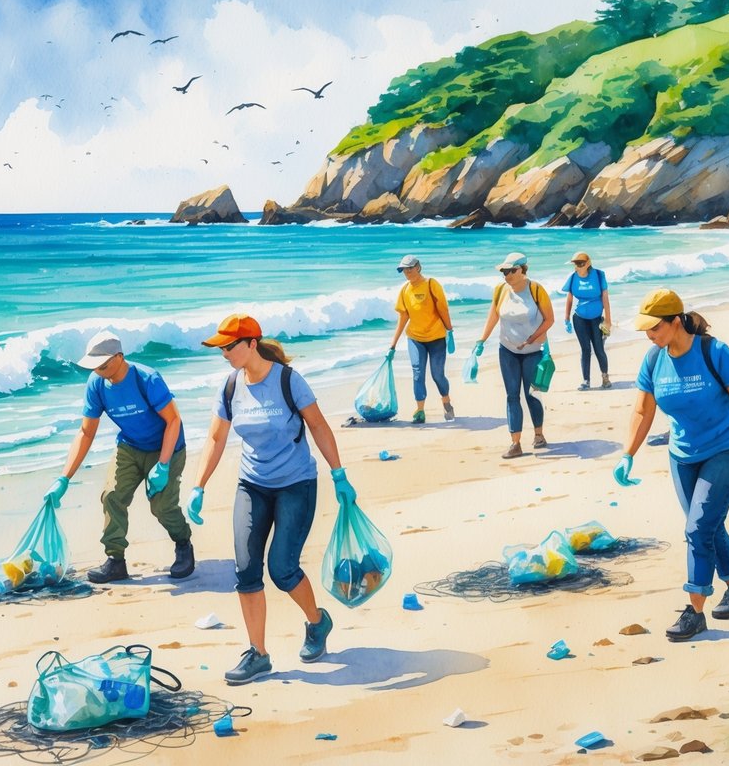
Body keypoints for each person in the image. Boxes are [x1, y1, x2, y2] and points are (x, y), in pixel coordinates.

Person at [189, 314, 355, 684]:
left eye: (228, 346)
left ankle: (317, 621)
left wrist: (338, 473)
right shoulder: (231, 386)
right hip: (253, 484)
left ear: (250, 344)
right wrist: (199, 486)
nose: (224, 354)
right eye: (221, 348)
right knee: (246, 569)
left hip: (296, 483)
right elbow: (216, 438)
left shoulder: (287, 381)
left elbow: (318, 425)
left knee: (282, 569)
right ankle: (258, 653)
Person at [612, 289, 729, 642]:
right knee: (707, 527)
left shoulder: (713, 352)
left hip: (726, 447)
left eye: (654, 328)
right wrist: (628, 453)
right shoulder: (654, 359)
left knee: (698, 528)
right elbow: (643, 409)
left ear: (675, 322)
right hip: (683, 454)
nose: (648, 335)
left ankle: (695, 610)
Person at [44, 331, 194, 583]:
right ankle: (115, 561)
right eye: (95, 367)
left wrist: (164, 464)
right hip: (130, 446)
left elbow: (173, 420)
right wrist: (64, 478)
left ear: (120, 357)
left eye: (103, 365)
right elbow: (86, 432)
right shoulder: (96, 384)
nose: (99, 371)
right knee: (112, 496)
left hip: (165, 446)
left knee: (161, 506)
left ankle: (183, 544)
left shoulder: (147, 379)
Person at [474, 252, 555, 459]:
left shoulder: (536, 289)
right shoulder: (501, 290)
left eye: (511, 271)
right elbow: (493, 315)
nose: (506, 275)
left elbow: (549, 320)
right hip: (507, 349)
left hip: (533, 351)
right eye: (504, 271)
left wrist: (532, 338)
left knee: (531, 394)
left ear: (522, 270)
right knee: (511, 395)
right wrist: (481, 340)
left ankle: (539, 435)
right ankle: (515, 443)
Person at [389, 255, 455, 424]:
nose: (407, 272)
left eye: (410, 268)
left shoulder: (432, 284)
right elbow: (403, 318)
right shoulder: (404, 291)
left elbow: (443, 309)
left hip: (436, 337)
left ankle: (446, 403)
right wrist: (393, 343)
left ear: (418, 267)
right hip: (415, 338)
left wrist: (450, 331)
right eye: (404, 269)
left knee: (437, 374)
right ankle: (420, 410)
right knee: (417, 372)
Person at [561, 251, 612, 390]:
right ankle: (586, 381)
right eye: (576, 264)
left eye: (581, 263)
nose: (578, 266)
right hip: (580, 318)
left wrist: (608, 320)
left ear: (588, 263)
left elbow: (605, 299)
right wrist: (566, 318)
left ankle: (605, 377)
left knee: (599, 348)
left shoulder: (599, 275)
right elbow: (570, 298)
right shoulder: (573, 278)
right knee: (585, 349)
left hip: (596, 319)